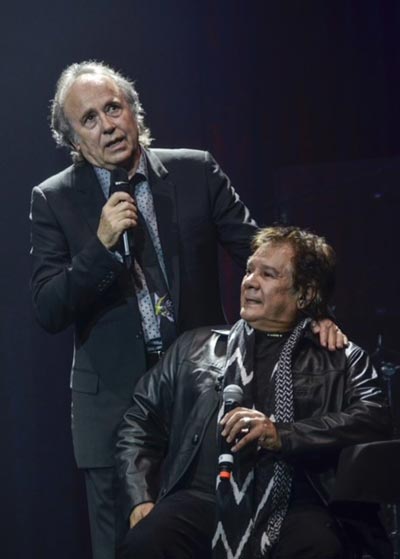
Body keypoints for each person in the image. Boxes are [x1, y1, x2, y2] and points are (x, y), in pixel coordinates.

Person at [30, 61, 345, 559]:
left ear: (133, 110)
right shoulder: (54, 199)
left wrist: (314, 309)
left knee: (205, 540)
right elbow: (48, 308)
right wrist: (100, 246)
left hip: (199, 399)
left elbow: (260, 251)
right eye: (89, 119)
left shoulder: (195, 169)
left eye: (113, 108)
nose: (108, 124)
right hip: (110, 407)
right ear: (72, 139)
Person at [116, 226, 392, 559]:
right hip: (202, 498)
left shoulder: (341, 356)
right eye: (249, 270)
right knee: (146, 542)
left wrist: (283, 434)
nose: (249, 281)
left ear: (304, 294)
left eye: (268, 274)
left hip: (294, 504)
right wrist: (140, 498)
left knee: (322, 547)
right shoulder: (194, 346)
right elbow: (139, 419)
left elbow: (374, 417)